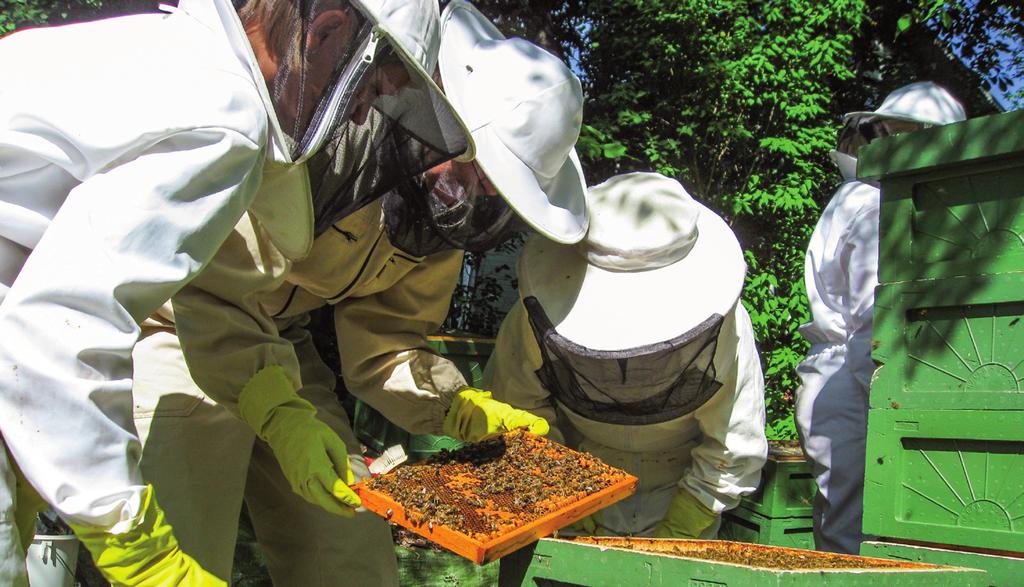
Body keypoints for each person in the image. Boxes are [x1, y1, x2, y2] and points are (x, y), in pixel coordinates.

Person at [0, 0, 469, 584]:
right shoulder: (224, 111)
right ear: (328, 31)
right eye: (367, 89)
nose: (358, 117)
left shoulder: (168, 55)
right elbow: (59, 323)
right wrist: (138, 547)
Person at [129, 1, 587, 584]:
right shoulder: (325, 120)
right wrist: (276, 413)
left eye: (496, 189)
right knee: (184, 543)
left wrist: (456, 404)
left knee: (350, 554)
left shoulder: (441, 216)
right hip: (183, 325)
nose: (474, 194)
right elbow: (216, 289)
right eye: (478, 171)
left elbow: (385, 346)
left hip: (282, 348)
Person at [485, 172, 768, 538]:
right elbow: (521, 411)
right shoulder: (535, 316)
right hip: (573, 474)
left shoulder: (728, 326)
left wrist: (687, 520)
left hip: (683, 482)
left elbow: (733, 443)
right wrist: (558, 489)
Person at [795, 81, 966, 554]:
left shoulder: (866, 198)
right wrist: (903, 406)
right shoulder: (875, 204)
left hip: (842, 378)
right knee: (859, 542)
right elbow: (876, 327)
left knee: (847, 532)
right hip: (856, 382)